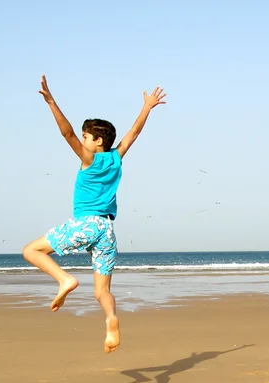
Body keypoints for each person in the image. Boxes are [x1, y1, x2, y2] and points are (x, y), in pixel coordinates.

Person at [22, 75, 166, 353]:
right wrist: (147, 107)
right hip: (107, 231)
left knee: (31, 250)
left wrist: (51, 101)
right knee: (102, 291)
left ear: (97, 141)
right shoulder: (116, 157)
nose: (82, 140)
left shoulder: (89, 159)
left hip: (86, 224)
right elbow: (133, 134)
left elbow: (66, 134)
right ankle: (111, 320)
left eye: (86, 136)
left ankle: (64, 279)